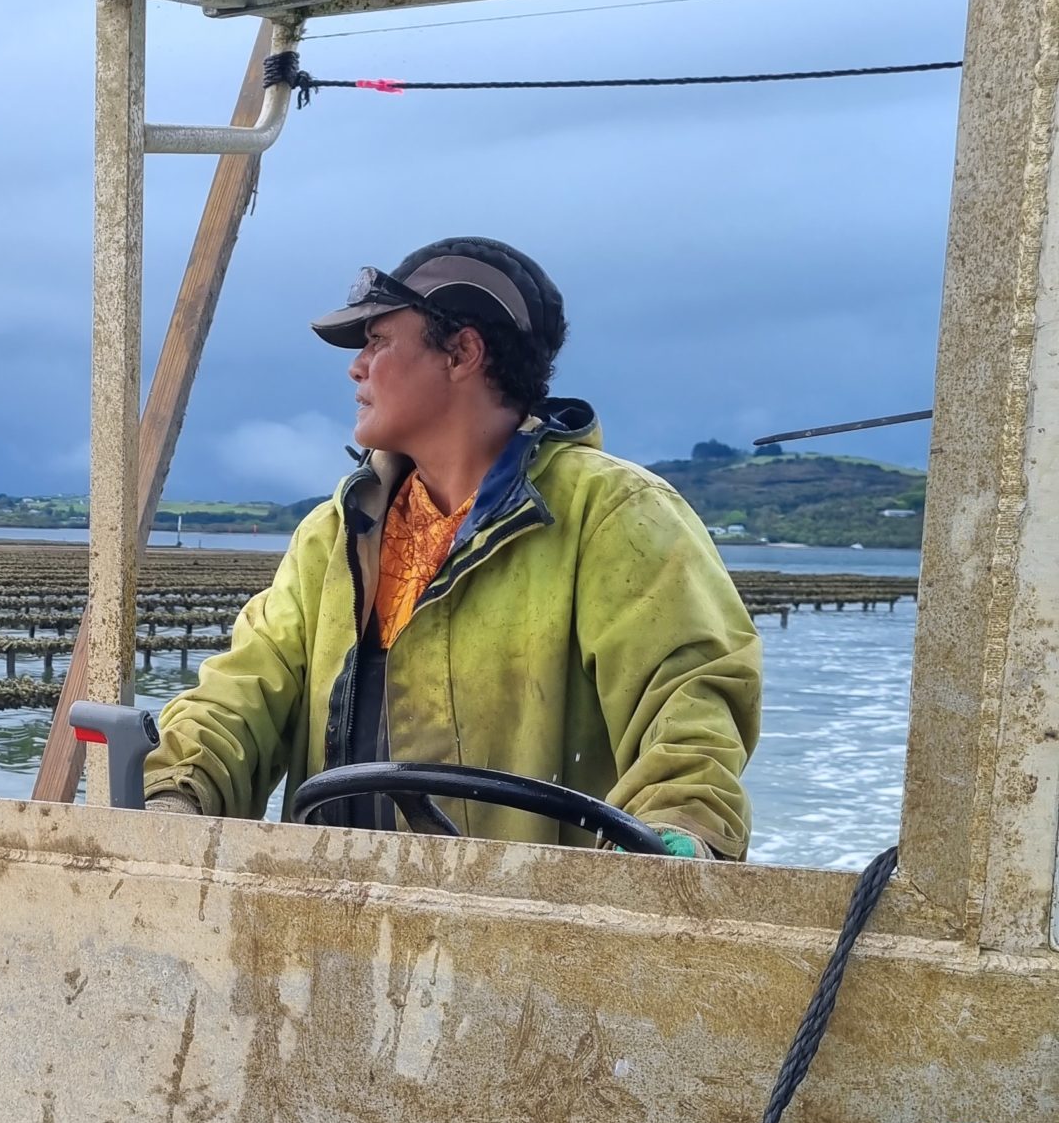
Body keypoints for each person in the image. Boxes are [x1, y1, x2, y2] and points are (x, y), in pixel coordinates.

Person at [142, 236, 761, 854]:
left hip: (530, 930)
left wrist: (680, 833)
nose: (356, 366)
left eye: (378, 341)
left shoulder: (614, 514)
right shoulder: (336, 532)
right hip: (329, 920)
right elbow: (241, 693)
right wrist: (175, 792)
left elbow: (690, 710)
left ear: (462, 352)